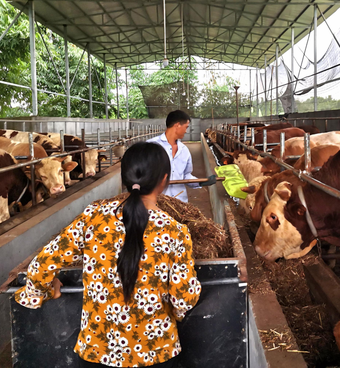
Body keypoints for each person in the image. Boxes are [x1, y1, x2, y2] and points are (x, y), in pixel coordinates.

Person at [15, 142, 201, 367]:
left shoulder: (93, 217)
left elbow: (43, 263)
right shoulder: (175, 231)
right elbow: (183, 298)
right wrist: (176, 313)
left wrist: (42, 289)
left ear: (123, 178)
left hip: (97, 350)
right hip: (156, 351)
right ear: (164, 180)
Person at [146, 110, 215, 202]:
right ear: (177, 125)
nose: (186, 131)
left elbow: (186, 175)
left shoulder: (184, 150)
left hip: (180, 202)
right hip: (156, 202)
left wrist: (201, 182)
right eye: (186, 127)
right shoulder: (151, 146)